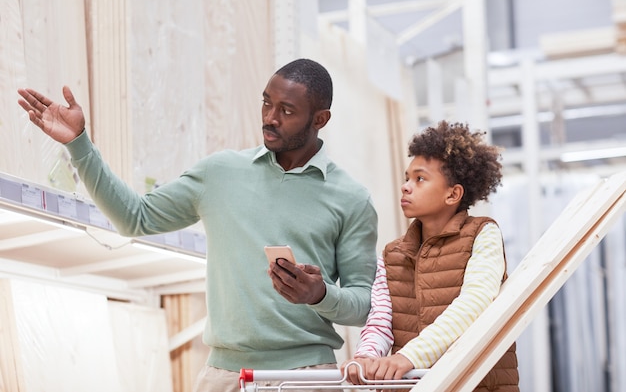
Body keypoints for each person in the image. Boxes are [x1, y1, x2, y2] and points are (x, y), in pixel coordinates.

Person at [17, 58, 378, 392]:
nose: (270, 117)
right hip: (223, 377)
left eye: (287, 111)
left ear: (320, 119)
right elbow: (134, 218)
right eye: (266, 103)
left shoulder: (350, 198)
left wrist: (320, 295)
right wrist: (80, 145)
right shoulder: (220, 173)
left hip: (306, 377)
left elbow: (365, 305)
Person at [341, 121, 519, 391]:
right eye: (406, 178)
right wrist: (366, 358)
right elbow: (380, 320)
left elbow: (474, 304)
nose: (406, 187)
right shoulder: (392, 254)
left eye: (420, 179)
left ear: (453, 194)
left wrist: (409, 357)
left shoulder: (482, 234)